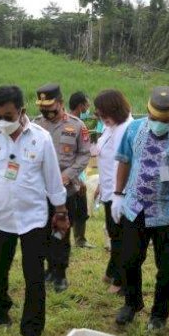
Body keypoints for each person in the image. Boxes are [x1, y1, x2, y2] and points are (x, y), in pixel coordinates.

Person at [0, 85, 69, 336]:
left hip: (33, 219)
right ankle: (1, 310)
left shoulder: (41, 138)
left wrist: (60, 212)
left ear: (22, 111)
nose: (2, 121)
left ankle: (32, 333)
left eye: (8, 116)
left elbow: (53, 180)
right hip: (0, 218)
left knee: (34, 276)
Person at [112, 86, 169, 330]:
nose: (158, 123)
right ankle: (132, 303)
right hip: (135, 207)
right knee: (129, 260)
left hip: (167, 212)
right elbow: (124, 161)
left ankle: (159, 315)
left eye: (165, 119)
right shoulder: (134, 128)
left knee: (166, 267)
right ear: (148, 112)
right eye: (154, 118)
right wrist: (117, 195)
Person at [34, 84, 90, 293]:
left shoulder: (77, 126)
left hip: (66, 189)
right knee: (44, 232)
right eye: (42, 107)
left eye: (50, 106)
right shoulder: (36, 124)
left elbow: (84, 155)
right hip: (40, 190)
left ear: (60, 102)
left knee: (61, 231)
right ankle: (49, 268)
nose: (46, 111)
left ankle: (60, 273)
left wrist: (67, 176)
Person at [93, 89, 133, 295]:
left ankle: (121, 281)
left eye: (103, 114)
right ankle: (112, 270)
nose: (101, 118)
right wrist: (101, 185)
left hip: (121, 192)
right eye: (98, 115)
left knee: (120, 237)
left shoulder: (127, 129)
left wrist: (119, 193)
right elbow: (105, 160)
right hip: (108, 188)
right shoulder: (110, 128)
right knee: (113, 232)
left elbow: (123, 164)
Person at [68, 91, 95, 249]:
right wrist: (78, 179)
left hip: (76, 174)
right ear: (80, 106)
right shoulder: (77, 125)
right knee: (70, 209)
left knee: (81, 208)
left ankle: (80, 239)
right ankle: (69, 240)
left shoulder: (70, 123)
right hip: (73, 175)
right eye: (86, 104)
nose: (88, 107)